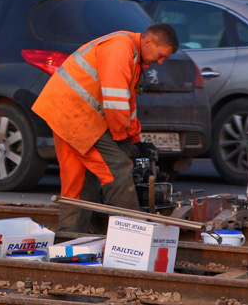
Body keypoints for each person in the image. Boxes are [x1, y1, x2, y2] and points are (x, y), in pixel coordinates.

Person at [32, 23, 179, 234]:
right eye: (161, 55)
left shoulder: (133, 55)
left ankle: (70, 239)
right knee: (118, 169)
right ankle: (131, 237)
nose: (161, 62)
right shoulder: (120, 48)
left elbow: (128, 105)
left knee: (79, 179)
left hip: (66, 113)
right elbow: (115, 99)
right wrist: (121, 140)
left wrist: (136, 140)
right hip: (76, 116)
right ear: (148, 42)